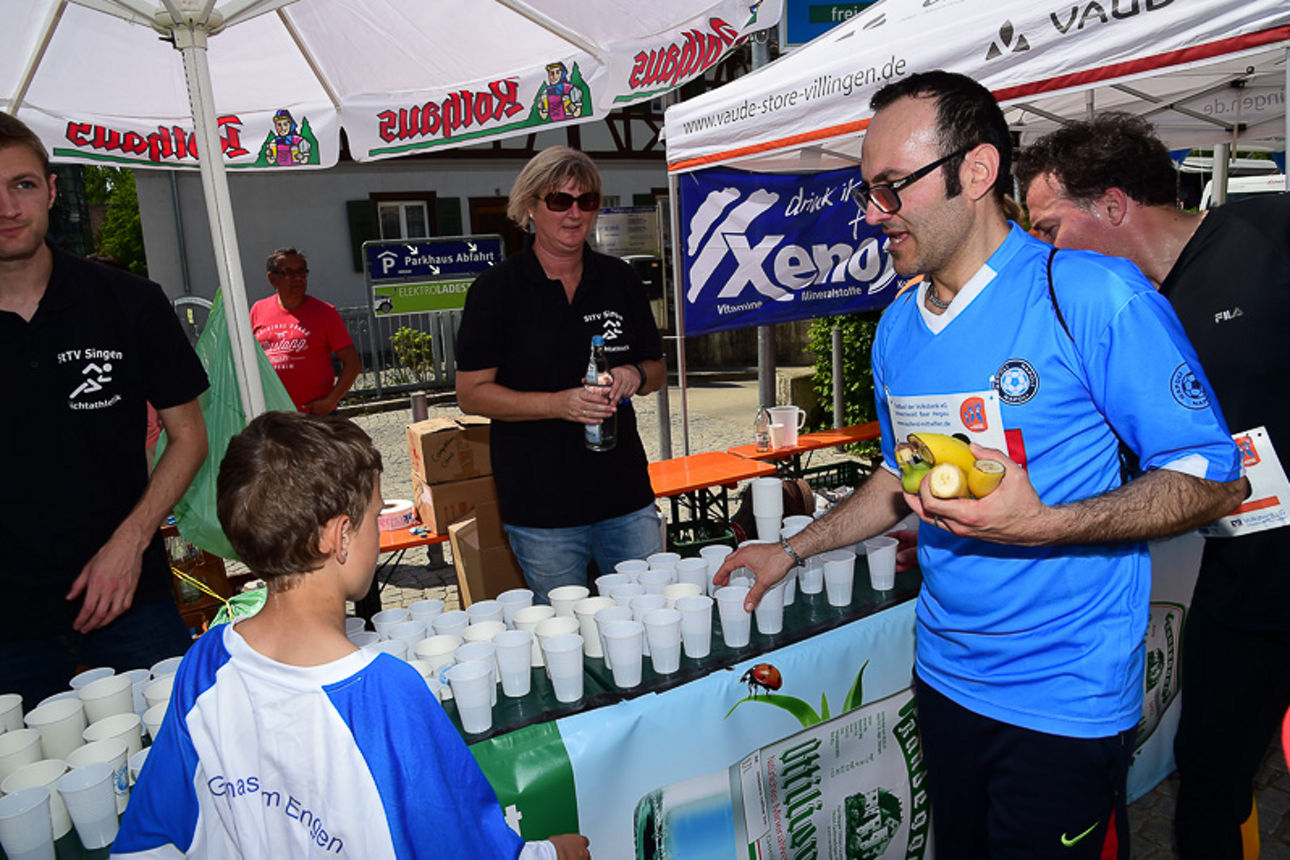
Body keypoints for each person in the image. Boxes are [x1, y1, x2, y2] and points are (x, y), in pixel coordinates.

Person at [715, 72, 1246, 859]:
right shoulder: (897, 327)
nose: (871, 214)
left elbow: (1213, 476)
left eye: (891, 188)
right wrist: (792, 550)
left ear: (976, 172)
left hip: (1065, 701)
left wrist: (1043, 524)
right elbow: (901, 478)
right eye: (867, 191)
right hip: (946, 680)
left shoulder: (1091, 294)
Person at [113, 412, 591, 859]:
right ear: (340, 535)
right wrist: (556, 851)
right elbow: (462, 843)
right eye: (375, 516)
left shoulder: (205, 666)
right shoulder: (385, 693)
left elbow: (149, 838)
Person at [1016, 112, 1290, 860]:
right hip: (1241, 589)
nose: (1042, 252)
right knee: (1207, 783)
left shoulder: (1266, 233)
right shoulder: (1113, 316)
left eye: (1048, 228)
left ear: (1112, 205)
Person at [0, 111, 209, 708]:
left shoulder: (127, 301)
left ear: (51, 191)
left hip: (132, 595)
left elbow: (188, 436)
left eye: (22, 184)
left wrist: (128, 543)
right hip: (9, 625)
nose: (8, 206)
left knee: (180, 759)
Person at [455, 146, 666, 602]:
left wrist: (633, 373)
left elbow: (657, 369)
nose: (574, 213)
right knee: (570, 637)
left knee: (650, 613)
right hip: (541, 505)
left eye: (586, 201)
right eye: (559, 201)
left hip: (624, 493)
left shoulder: (619, 280)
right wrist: (557, 404)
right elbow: (471, 394)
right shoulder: (496, 290)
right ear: (530, 207)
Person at [250, 247, 360, 414]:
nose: (298, 278)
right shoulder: (258, 310)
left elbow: (352, 364)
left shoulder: (325, 313)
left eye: (302, 271)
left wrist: (330, 401)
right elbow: (248, 360)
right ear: (272, 279)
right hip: (273, 417)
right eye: (289, 272)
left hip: (315, 417)